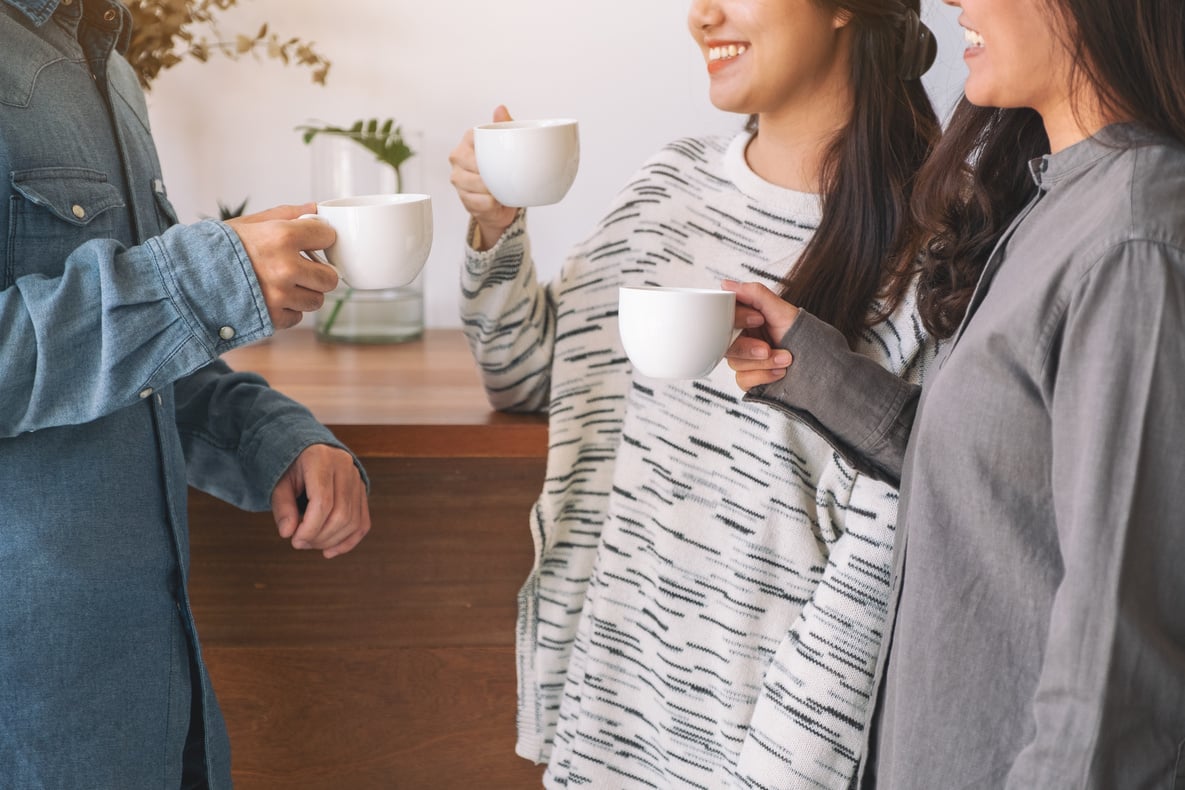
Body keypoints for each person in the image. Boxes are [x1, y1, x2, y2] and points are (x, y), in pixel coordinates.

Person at [449, 0, 940, 785]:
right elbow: (528, 374)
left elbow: (892, 561)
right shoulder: (668, 194)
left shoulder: (935, 253)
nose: (700, 16)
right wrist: (494, 227)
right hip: (611, 724)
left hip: (775, 756)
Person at [725, 0, 1185, 786]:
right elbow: (1000, 488)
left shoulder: (1130, 241)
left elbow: (1117, 672)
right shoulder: (1055, 199)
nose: (951, 1)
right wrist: (809, 364)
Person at [1, 1, 371, 786]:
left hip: (147, 699)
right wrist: (202, 280)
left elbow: (136, 364)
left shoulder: (104, 58)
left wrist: (270, 440)